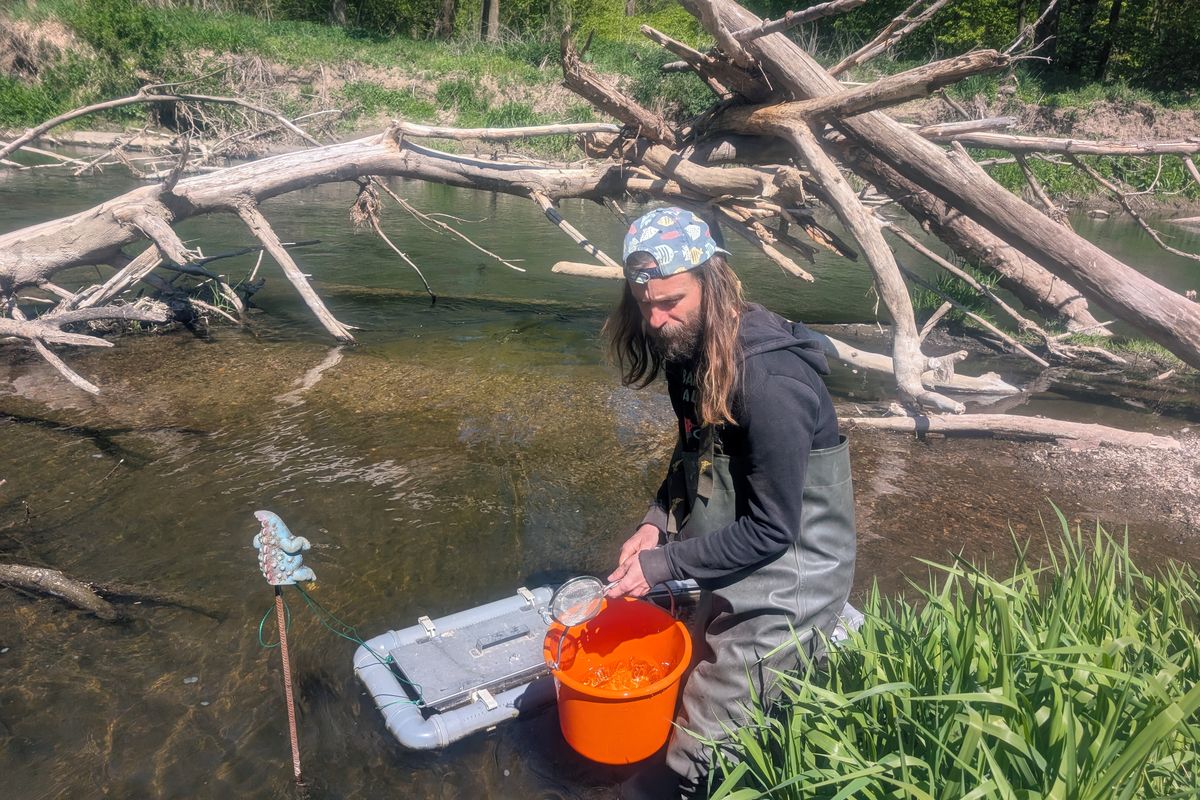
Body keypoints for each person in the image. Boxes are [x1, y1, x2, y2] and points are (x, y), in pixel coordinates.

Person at [602, 207, 857, 798]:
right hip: (735, 558)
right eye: (644, 304)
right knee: (678, 682)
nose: (657, 319)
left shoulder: (771, 380)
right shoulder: (687, 350)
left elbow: (773, 531)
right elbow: (692, 449)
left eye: (671, 301)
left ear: (712, 279)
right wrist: (655, 524)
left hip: (794, 575)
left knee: (692, 757)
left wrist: (663, 566)